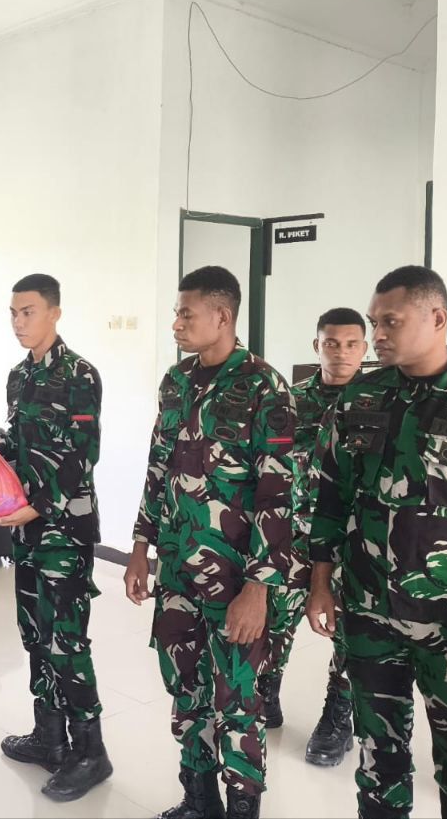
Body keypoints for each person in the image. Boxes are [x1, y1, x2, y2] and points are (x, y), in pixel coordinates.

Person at [306, 265, 447, 819]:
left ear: (438, 319)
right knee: (377, 759)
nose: (378, 334)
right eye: (374, 322)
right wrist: (320, 583)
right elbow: (331, 496)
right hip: (369, 610)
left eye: (391, 321)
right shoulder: (360, 397)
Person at [126, 266, 296, 819]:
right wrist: (140, 547)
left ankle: (243, 806)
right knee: (185, 687)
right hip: (177, 569)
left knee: (238, 697)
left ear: (222, 316)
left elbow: (278, 494)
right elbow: (158, 468)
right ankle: (199, 800)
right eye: (177, 313)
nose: (176, 323)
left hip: (235, 579)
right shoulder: (176, 381)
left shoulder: (265, 388)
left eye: (186, 313)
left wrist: (259, 588)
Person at [0, 273, 111, 802]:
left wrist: (38, 505)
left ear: (54, 313)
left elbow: (83, 455)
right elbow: (22, 447)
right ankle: (50, 737)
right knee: (35, 633)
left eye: (29, 312)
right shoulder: (19, 376)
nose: (19, 322)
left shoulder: (80, 374)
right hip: (27, 527)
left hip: (65, 527)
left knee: (66, 639)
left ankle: (91, 751)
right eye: (14, 313)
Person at [259, 307, 366, 769]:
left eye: (351, 344)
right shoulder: (288, 401)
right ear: (316, 345)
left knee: (348, 632)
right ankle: (265, 693)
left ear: (364, 348)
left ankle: (337, 717)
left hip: (351, 542)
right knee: (272, 622)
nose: (340, 352)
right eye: (331, 343)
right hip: (292, 538)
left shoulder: (378, 404)